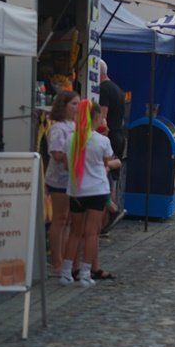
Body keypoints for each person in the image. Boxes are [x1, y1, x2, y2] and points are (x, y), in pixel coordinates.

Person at [61, 101, 121, 287]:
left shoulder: (71, 139)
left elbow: (66, 165)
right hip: (97, 190)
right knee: (92, 233)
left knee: (75, 232)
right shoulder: (102, 141)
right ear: (96, 118)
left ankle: (66, 272)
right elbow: (106, 162)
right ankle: (86, 273)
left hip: (76, 190)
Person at [46, 90, 78, 275]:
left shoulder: (75, 126)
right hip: (59, 179)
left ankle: (65, 259)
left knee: (68, 220)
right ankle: (56, 261)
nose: (76, 107)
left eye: (78, 104)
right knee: (60, 218)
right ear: (63, 106)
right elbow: (56, 154)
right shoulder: (58, 128)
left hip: (72, 178)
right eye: (73, 104)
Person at [98, 59, 126, 204]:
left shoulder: (103, 89)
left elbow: (103, 117)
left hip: (109, 136)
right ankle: (112, 209)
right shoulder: (117, 89)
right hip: (119, 134)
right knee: (113, 179)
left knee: (106, 178)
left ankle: (108, 209)